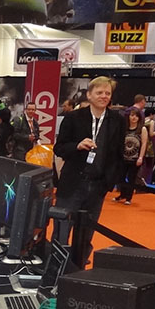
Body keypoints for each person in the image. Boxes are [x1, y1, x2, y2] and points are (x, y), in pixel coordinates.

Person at [53, 76, 125, 266]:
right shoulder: (73, 117)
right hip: (72, 183)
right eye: (99, 92)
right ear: (89, 95)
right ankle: (55, 266)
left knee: (87, 231)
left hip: (98, 185)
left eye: (107, 93)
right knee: (62, 228)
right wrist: (77, 146)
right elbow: (59, 148)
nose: (104, 96)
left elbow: (118, 154)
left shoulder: (117, 120)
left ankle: (79, 266)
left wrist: (109, 182)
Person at [114, 108, 149, 204]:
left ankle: (128, 197)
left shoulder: (142, 129)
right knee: (121, 176)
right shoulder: (124, 128)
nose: (134, 118)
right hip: (124, 157)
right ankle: (123, 194)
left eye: (136, 116)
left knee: (132, 178)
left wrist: (141, 157)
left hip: (135, 158)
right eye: (132, 115)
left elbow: (144, 144)